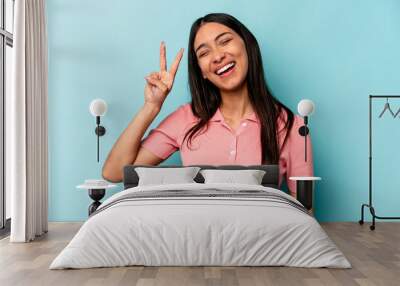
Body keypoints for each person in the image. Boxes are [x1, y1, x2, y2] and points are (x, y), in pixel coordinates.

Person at [102, 13, 313, 197]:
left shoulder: (292, 127)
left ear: (248, 44)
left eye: (225, 41)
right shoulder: (185, 118)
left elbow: (304, 212)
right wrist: (152, 106)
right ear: (201, 71)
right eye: (204, 53)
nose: (218, 56)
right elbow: (114, 173)